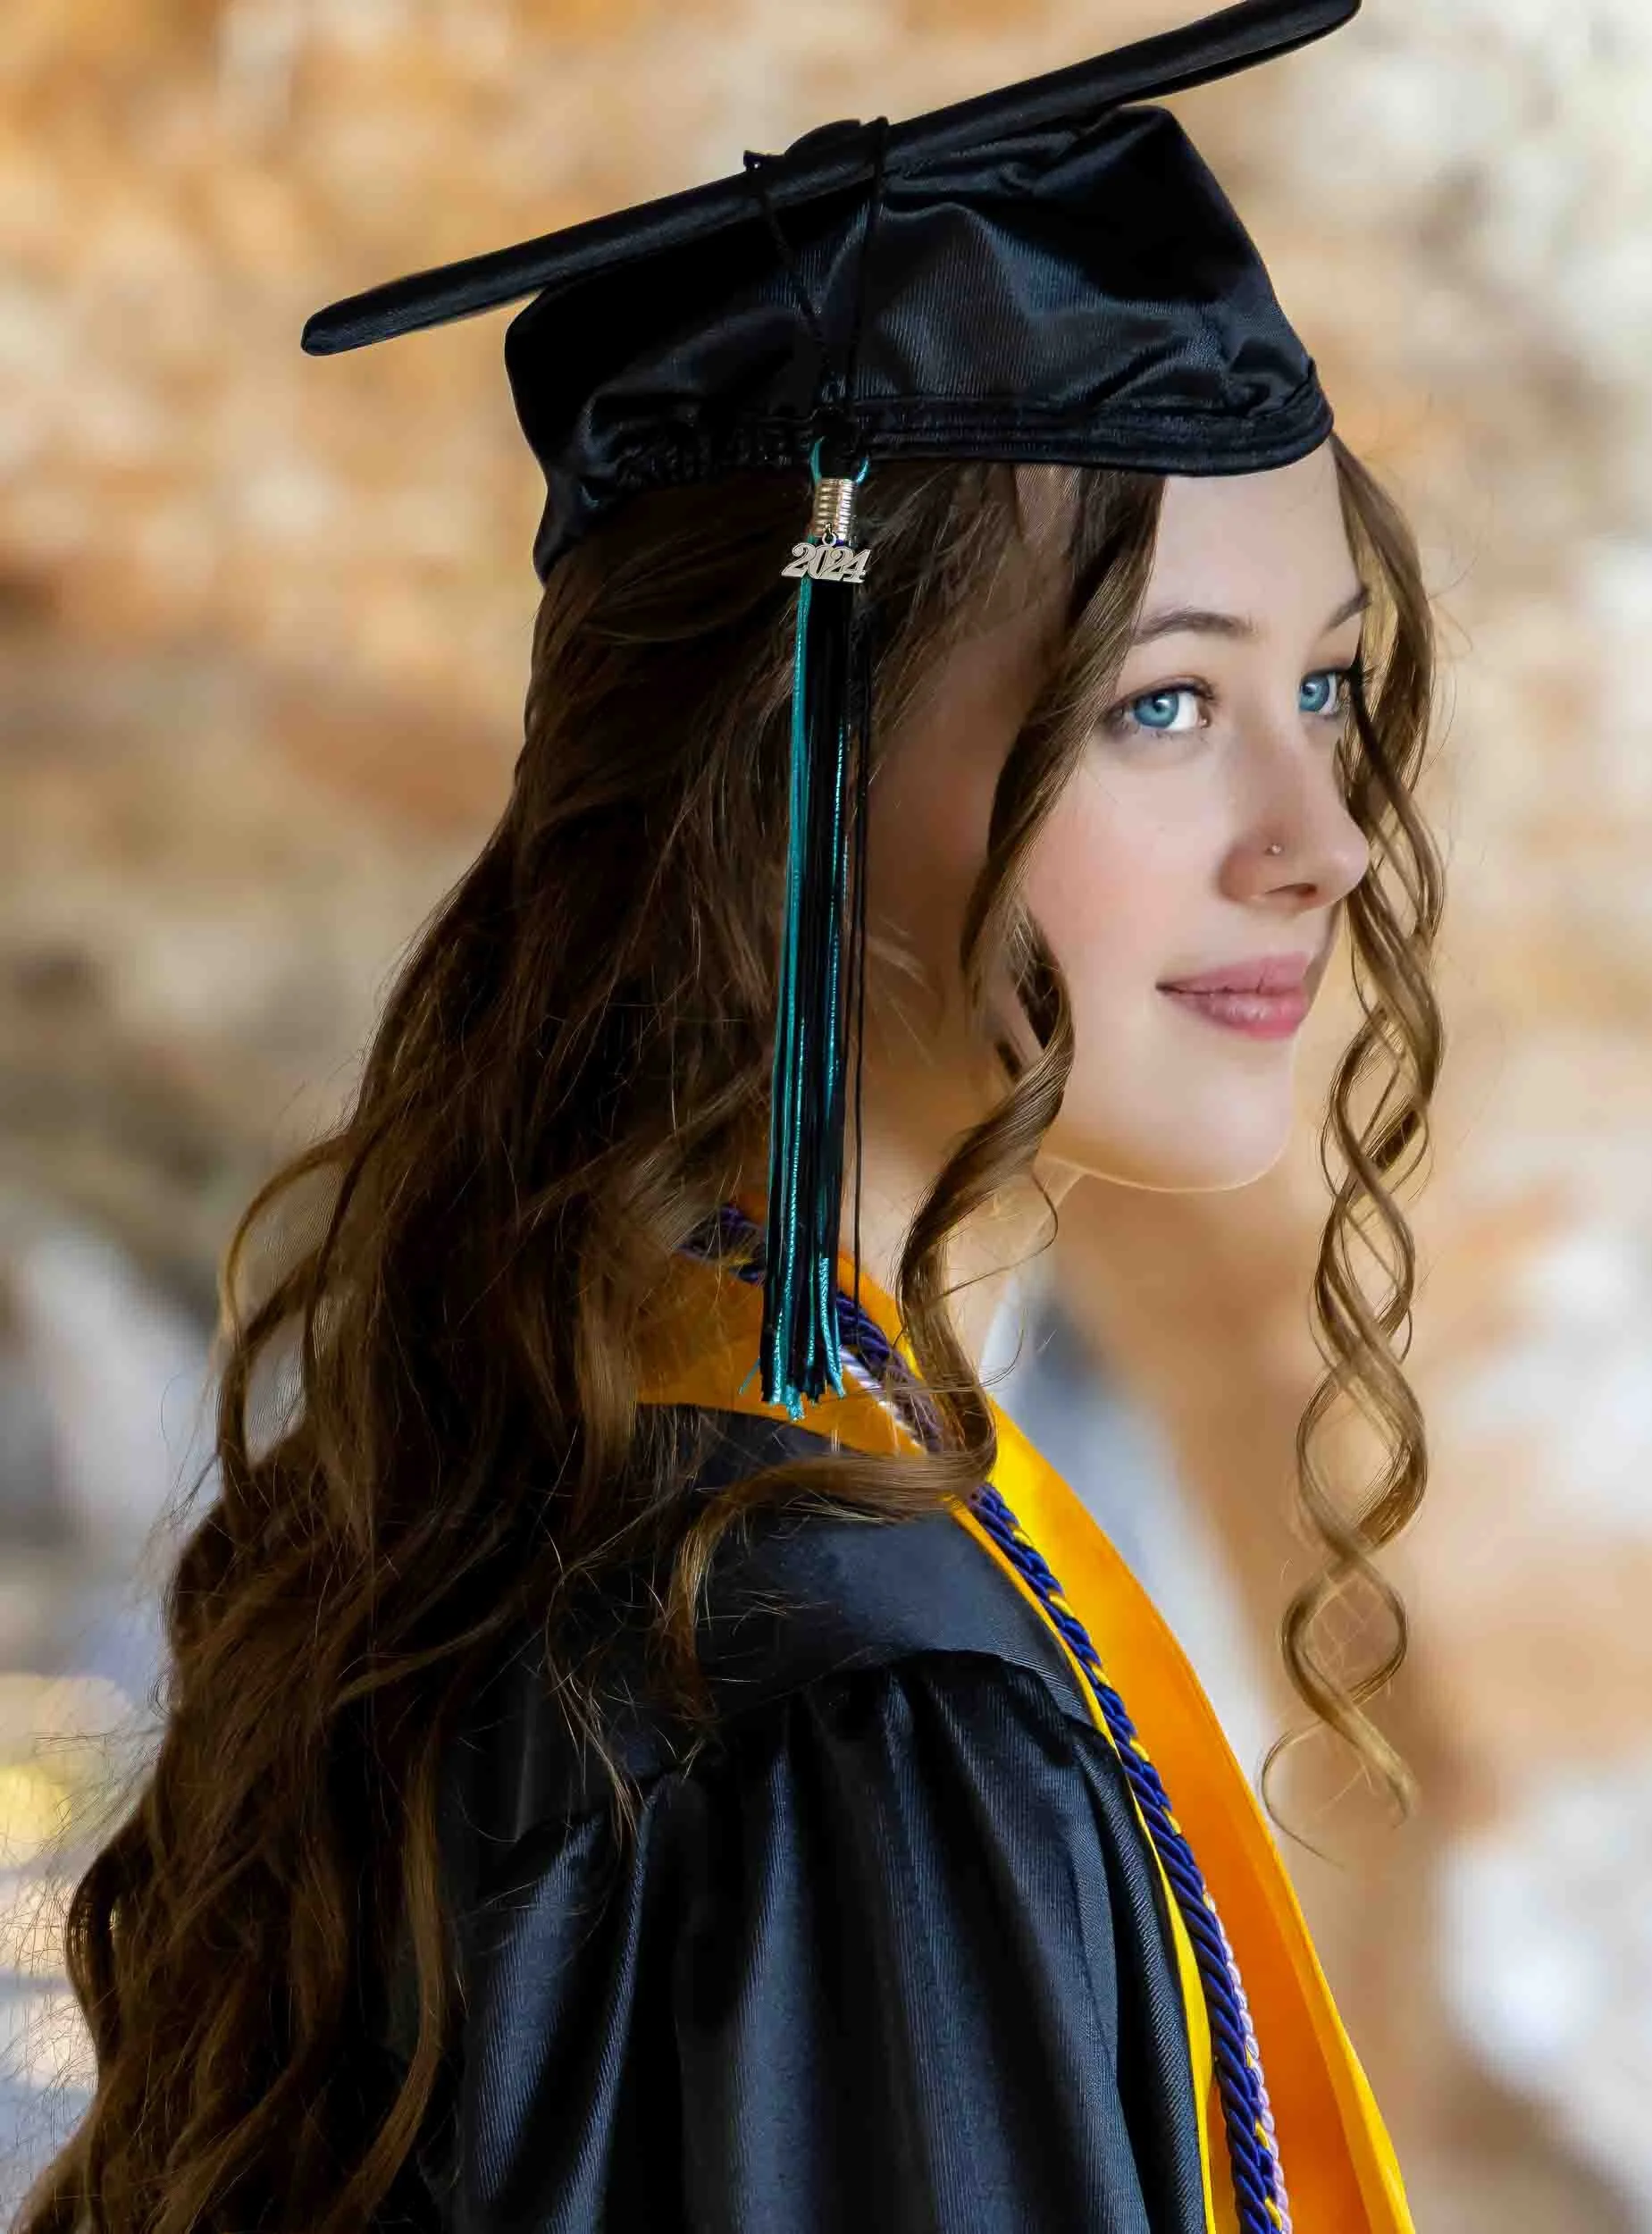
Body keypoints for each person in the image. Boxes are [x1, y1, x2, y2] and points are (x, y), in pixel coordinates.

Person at [15, 4, 1445, 2230]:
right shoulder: (858, 1700)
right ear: (787, 776)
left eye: (1324, 686)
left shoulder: (557, 1472)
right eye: (1162, 700)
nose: (1318, 838)